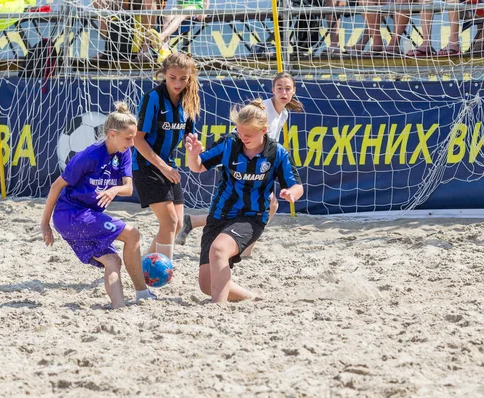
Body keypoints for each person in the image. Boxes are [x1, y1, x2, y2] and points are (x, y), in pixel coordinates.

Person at [185, 99, 304, 303]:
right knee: (207, 285)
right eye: (240, 133)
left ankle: (217, 310)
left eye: (248, 135)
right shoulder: (230, 143)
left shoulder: (277, 153)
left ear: (264, 130)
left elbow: (297, 186)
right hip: (219, 215)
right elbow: (197, 167)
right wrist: (193, 155)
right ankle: (253, 298)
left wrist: (291, 193)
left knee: (219, 249)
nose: (242, 138)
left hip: (251, 217)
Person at [40, 102, 156, 309]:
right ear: (112, 134)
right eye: (128, 138)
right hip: (71, 215)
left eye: (133, 138)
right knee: (133, 234)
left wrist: (114, 190)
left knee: (112, 260)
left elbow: (128, 189)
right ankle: (143, 293)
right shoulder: (88, 156)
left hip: (84, 217)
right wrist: (45, 224)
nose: (132, 142)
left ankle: (119, 307)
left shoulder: (124, 153)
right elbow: (56, 186)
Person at [175, 72, 303, 258]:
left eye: (288, 88)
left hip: (258, 162)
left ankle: (196, 222)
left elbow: (270, 147)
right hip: (239, 159)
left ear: (294, 91)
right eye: (279, 88)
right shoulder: (263, 110)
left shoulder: (282, 113)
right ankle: (243, 248)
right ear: (272, 90)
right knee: (252, 205)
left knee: (264, 205)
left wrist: (291, 191)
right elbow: (241, 135)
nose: (283, 92)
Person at [132, 52, 201, 261]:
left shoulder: (189, 101)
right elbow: (138, 140)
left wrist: (195, 146)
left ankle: (145, 263)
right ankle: (163, 271)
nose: (178, 83)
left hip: (167, 166)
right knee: (170, 222)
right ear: (163, 74)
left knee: (177, 224)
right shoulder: (152, 98)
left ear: (190, 77)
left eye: (183, 78)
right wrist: (163, 167)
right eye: (172, 77)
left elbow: (189, 136)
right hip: (146, 166)